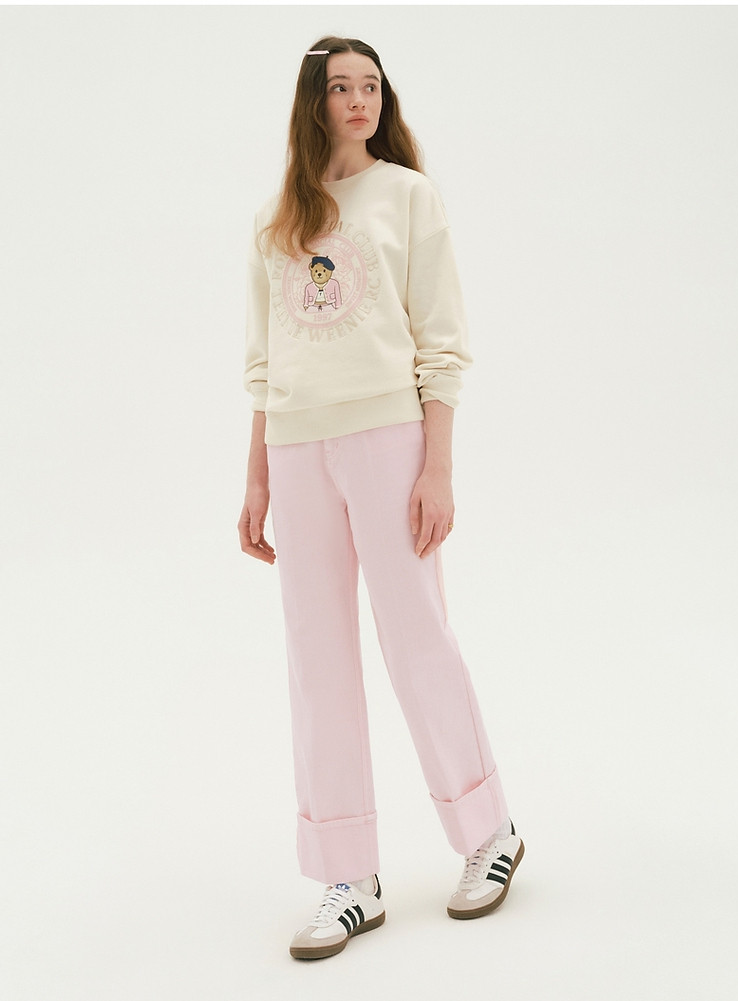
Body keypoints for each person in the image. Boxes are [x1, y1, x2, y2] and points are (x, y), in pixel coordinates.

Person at [238, 36, 524, 961]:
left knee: (416, 638)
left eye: (371, 86)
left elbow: (442, 338)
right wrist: (256, 474)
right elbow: (265, 360)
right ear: (313, 103)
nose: (358, 100)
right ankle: (348, 876)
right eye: (340, 87)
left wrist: (438, 467)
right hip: (296, 449)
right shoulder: (277, 218)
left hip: (388, 442)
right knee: (316, 658)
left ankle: (488, 829)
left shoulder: (407, 195)